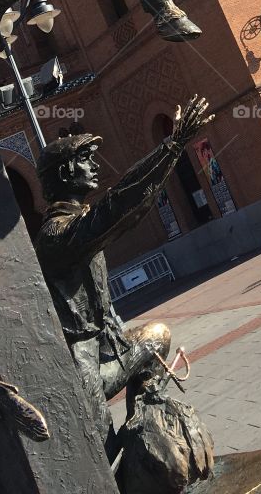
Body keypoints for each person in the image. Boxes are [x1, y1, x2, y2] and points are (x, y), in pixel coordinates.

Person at [34, 96, 212, 457]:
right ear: (66, 173)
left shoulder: (76, 222)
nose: (94, 166)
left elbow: (119, 210)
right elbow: (119, 207)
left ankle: (144, 427)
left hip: (108, 347)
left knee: (156, 337)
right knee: (102, 449)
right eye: (85, 160)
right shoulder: (57, 234)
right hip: (81, 363)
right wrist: (172, 146)